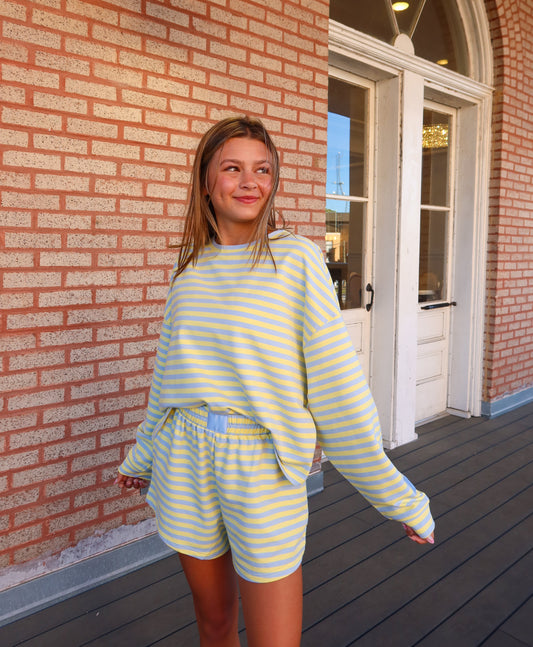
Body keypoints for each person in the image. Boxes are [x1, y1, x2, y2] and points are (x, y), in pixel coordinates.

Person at [115, 116, 435, 647]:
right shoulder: (188, 269)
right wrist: (142, 455)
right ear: (205, 181)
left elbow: (339, 394)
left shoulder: (297, 260)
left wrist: (399, 498)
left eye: (262, 170)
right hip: (184, 458)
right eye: (232, 168)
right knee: (213, 625)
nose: (249, 182)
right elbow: (168, 377)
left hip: (261, 464)